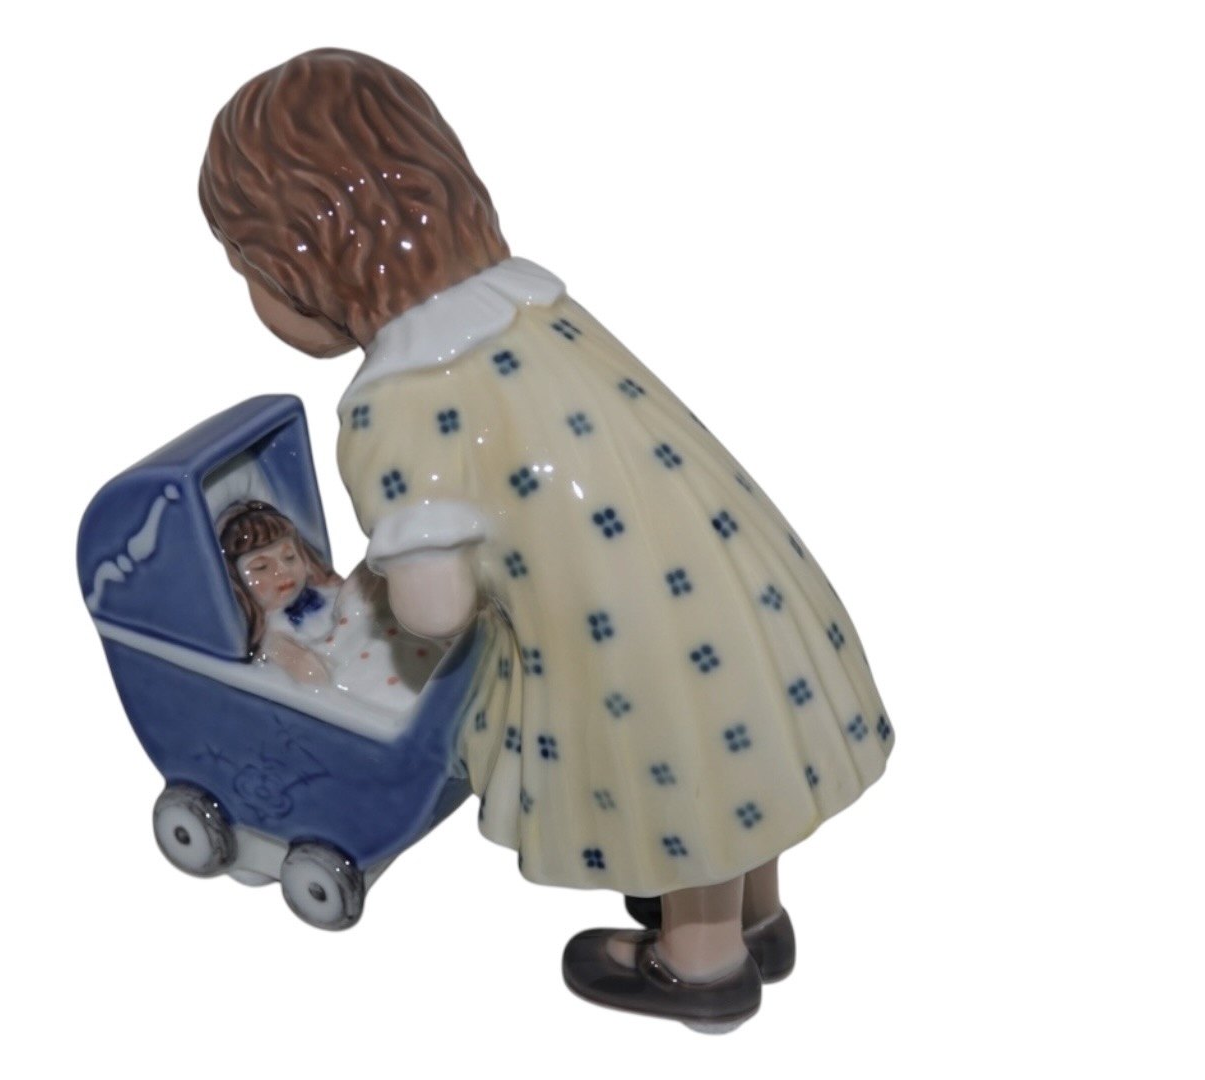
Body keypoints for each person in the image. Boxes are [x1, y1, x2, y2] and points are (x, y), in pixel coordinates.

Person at [199, 48, 894, 1030]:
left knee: (677, 755)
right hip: (728, 570)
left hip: (622, 632)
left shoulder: (393, 406)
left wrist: (390, 593)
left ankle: (701, 965)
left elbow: (435, 607)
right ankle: (756, 916)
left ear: (293, 270)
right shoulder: (537, 308)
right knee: (730, 737)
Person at [218, 500, 341, 685]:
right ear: (237, 581)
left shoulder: (330, 594)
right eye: (261, 567)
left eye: (289, 557)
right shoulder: (275, 640)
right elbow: (314, 677)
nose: (282, 570)